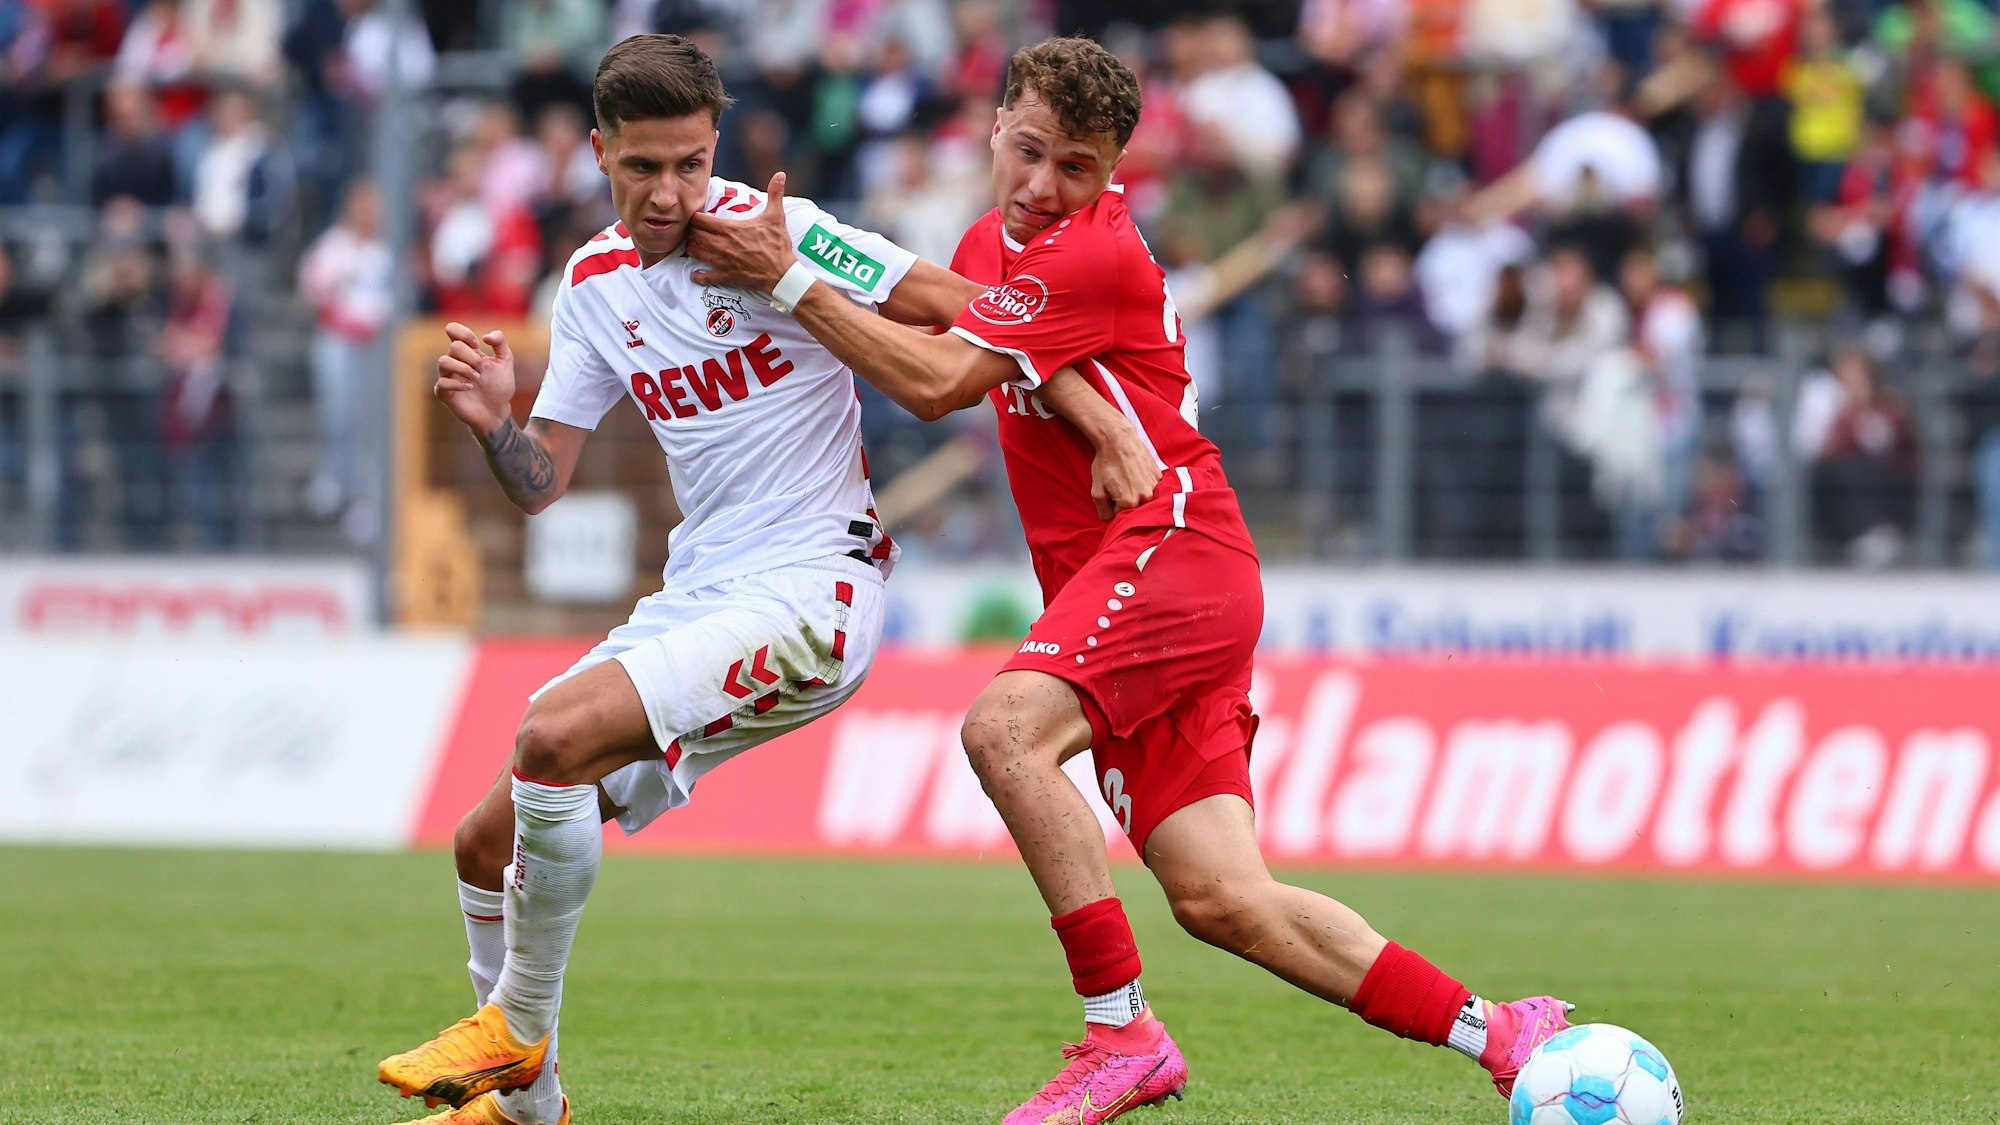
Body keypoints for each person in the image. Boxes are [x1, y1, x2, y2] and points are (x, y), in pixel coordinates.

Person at [688, 35, 1576, 1125]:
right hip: (1152, 575)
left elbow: (935, 381)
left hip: (1171, 551)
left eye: (1076, 168)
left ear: (1113, 173)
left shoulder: (1084, 254)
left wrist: (783, 275)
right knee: (1220, 898)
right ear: (995, 127)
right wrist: (1095, 410)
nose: (1041, 187)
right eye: (1027, 152)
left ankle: (1121, 1033)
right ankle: (1502, 1030)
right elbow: (937, 291)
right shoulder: (996, 241)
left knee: (1003, 734)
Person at [373, 34, 1156, 1125]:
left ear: (716, 149)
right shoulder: (593, 287)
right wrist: (499, 424)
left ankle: (514, 1023)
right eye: (643, 167)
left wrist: (1100, 417)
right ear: (598, 155)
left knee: (549, 735)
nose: (670, 191)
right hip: (699, 592)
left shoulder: (778, 236)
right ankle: (527, 1103)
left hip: (814, 593)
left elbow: (960, 304)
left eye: (690, 162)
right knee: (483, 837)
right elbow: (543, 481)